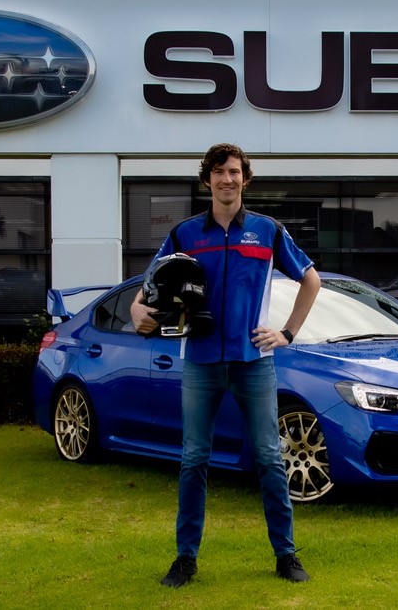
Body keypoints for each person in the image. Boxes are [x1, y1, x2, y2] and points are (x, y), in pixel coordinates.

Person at [130, 143, 322, 588]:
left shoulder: (267, 230)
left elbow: (311, 279)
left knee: (270, 459)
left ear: (245, 178)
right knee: (194, 459)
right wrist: (138, 311)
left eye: (234, 172)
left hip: (254, 361)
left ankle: (286, 555)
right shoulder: (183, 235)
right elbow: (148, 288)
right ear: (207, 180)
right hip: (199, 362)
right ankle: (185, 559)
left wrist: (287, 333)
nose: (227, 179)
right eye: (218, 172)